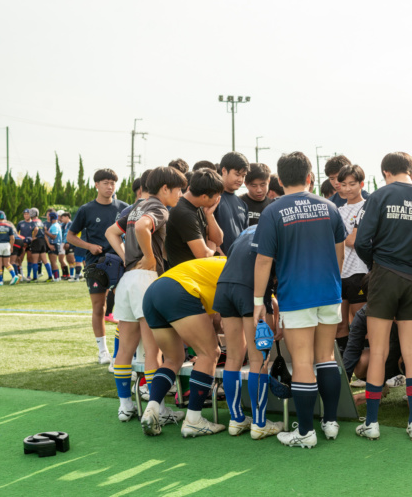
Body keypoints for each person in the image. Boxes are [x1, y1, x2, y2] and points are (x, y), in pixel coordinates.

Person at [253, 151, 346, 448]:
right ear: (309, 177)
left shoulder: (273, 211)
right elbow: (339, 254)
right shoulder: (330, 207)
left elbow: (263, 262)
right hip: (329, 292)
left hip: (297, 294)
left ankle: (305, 432)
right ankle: (330, 423)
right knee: (326, 357)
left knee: (303, 360)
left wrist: (258, 301)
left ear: (279, 180)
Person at [354, 152, 412, 441]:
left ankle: (372, 423)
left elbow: (362, 241)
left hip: (384, 277)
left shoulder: (380, 195)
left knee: (378, 351)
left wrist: (376, 263)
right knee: (411, 352)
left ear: (385, 171)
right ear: (411, 171)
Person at [105, 166, 186, 424]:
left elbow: (110, 232)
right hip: (145, 280)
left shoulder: (135, 205)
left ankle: (125, 406)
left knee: (126, 347)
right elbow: (142, 227)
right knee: (152, 350)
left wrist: (127, 257)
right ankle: (157, 409)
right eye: (178, 190)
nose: (180, 195)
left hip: (127, 280)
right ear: (165, 189)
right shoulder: (159, 208)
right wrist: (150, 258)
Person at [140, 257, 228, 437]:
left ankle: (152, 408)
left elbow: (211, 321)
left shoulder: (219, 266)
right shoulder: (242, 272)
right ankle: (194, 420)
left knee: (173, 359)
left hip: (154, 291)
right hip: (178, 290)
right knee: (210, 353)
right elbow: (220, 322)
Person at [213, 225, 285, 439]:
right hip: (251, 288)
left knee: (233, 357)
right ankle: (260, 424)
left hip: (224, 286)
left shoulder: (248, 230)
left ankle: (236, 420)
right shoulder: (279, 232)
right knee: (258, 359)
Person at [66, 169, 128, 365]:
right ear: (96, 185)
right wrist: (89, 246)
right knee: (99, 308)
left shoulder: (124, 207)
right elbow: (70, 236)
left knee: (126, 308)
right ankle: (103, 351)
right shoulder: (86, 209)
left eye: (112, 183)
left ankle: (124, 351)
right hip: (96, 265)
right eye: (105, 183)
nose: (109, 187)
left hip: (121, 263)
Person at [335, 164, 369, 355]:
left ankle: (363, 368)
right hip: (339, 273)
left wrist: (346, 239)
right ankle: (344, 370)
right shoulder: (336, 211)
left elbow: (353, 241)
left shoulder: (368, 206)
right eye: (344, 184)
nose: (348, 188)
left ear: (361, 184)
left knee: (360, 321)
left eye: (352, 184)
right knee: (340, 323)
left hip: (360, 272)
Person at [165, 168, 225, 267]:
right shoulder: (184, 213)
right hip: (184, 277)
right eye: (217, 197)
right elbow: (203, 255)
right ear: (204, 197)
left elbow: (218, 240)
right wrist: (212, 249)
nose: (218, 200)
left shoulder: (200, 207)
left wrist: (210, 215)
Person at [213, 152, 250, 255]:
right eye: (237, 174)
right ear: (224, 171)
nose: (240, 179)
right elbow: (207, 234)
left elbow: (245, 237)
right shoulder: (212, 198)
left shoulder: (243, 204)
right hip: (217, 262)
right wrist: (222, 257)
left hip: (237, 262)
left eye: (243, 176)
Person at [0, 211, 19, 285]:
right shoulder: (9, 226)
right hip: (6, 245)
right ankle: (14, 276)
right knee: (7, 263)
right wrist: (11, 246)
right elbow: (12, 238)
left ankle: (0, 281)